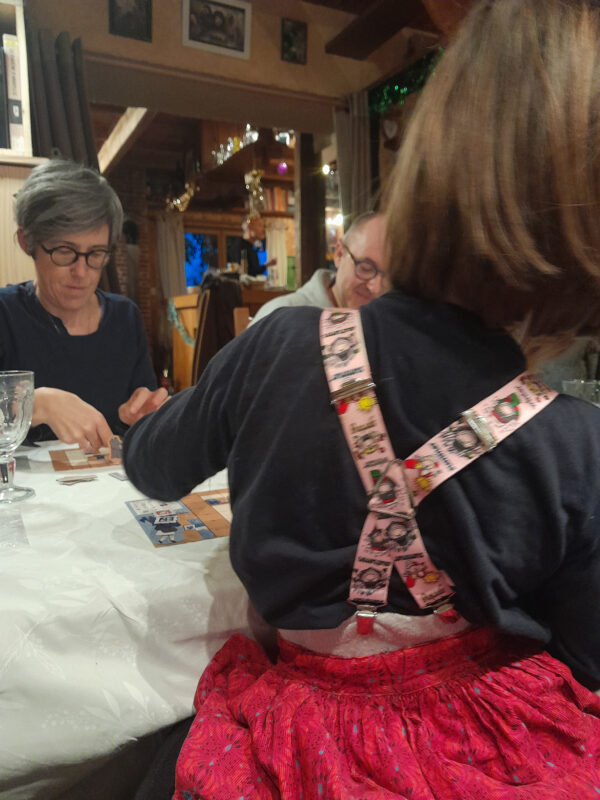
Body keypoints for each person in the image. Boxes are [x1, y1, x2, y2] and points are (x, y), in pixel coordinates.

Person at [124, 1, 600, 797]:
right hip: (482, 752)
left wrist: (155, 420)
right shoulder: (577, 446)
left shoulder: (279, 345)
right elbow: (584, 663)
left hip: (295, 734)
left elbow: (152, 466)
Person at [1, 158, 167, 450]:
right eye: (65, 251)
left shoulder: (124, 317)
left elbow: (140, 422)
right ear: (27, 242)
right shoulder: (6, 314)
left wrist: (142, 415)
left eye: (96, 253)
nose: (81, 272)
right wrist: (37, 404)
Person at [250, 210, 387, 324]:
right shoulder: (280, 317)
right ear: (339, 254)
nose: (376, 288)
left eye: (388, 276)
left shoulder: (384, 326)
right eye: (365, 268)